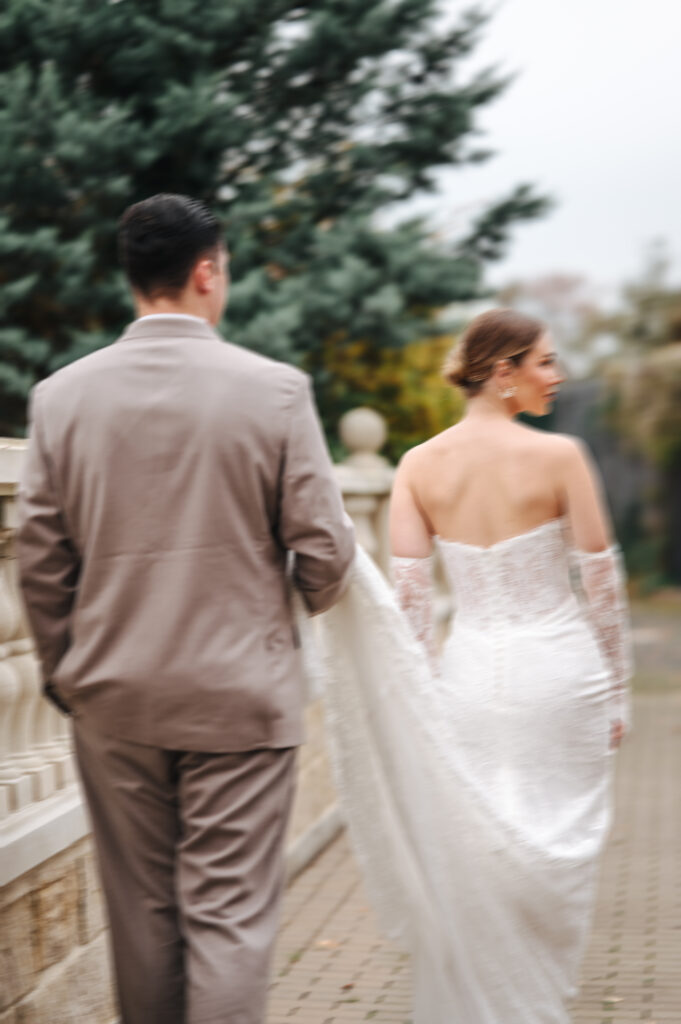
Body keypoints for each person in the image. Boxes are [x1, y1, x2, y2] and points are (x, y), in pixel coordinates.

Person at [16, 193, 355, 1024]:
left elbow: (39, 557)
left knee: (142, 921)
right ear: (207, 271)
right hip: (241, 696)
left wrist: (69, 672)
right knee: (229, 920)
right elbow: (326, 551)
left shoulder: (60, 399)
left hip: (114, 696)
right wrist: (285, 621)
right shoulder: (275, 391)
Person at [313, 308, 632, 1024]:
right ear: (501, 371)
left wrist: (421, 703)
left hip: (467, 678)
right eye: (545, 361)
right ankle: (537, 1000)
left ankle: (487, 1000)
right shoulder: (562, 457)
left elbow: (411, 605)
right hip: (561, 674)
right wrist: (618, 693)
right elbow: (601, 583)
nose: (558, 375)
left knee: (480, 842)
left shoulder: (417, 466)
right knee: (556, 851)